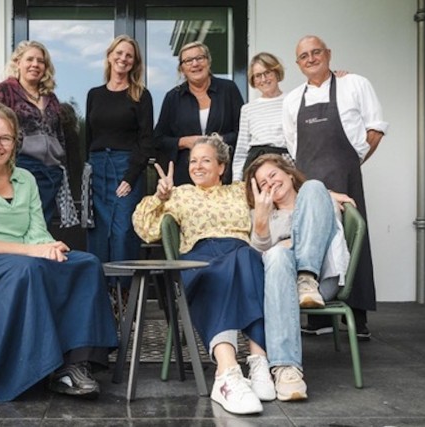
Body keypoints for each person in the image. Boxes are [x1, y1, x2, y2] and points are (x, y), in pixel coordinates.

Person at [0, 103, 118, 402]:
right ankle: (12, 369)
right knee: (28, 269)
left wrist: (48, 247)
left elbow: (37, 232)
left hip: (14, 261)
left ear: (15, 143)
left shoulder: (25, 179)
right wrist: (31, 251)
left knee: (84, 264)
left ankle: (72, 365)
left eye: (5, 138)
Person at [133, 134, 272, 415]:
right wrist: (159, 197)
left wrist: (326, 193)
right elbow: (144, 228)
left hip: (239, 255)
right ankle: (227, 372)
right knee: (225, 268)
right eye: (193, 161)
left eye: (205, 160)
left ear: (222, 167)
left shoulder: (241, 190)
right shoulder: (181, 194)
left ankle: (258, 362)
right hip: (199, 260)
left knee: (247, 255)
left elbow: (283, 193)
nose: (197, 166)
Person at [282, 35, 388, 339]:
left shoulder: (354, 84)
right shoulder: (292, 100)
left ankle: (357, 317)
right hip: (307, 180)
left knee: (353, 242)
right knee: (312, 240)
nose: (311, 59)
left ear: (328, 54)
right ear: (298, 63)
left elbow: (376, 128)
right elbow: (293, 145)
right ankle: (318, 319)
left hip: (345, 176)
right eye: (304, 56)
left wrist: (351, 164)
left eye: (316, 52)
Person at [244, 154, 352, 401]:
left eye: (273, 175)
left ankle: (306, 277)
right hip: (279, 287)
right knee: (277, 257)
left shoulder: (318, 199)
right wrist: (261, 222)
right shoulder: (260, 214)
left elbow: (323, 233)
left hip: (319, 285)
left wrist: (326, 194)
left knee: (315, 186)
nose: (270, 183)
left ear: (289, 174)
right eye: (263, 183)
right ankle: (286, 370)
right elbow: (258, 261)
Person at [0, 40, 77, 226]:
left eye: (40, 61)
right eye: (30, 59)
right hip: (19, 168)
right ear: (18, 63)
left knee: (41, 226)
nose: (35, 64)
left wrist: (63, 167)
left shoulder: (51, 98)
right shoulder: (3, 91)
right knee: (18, 225)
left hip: (50, 172)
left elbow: (60, 136)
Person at [85, 35, 154, 268]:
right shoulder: (94, 94)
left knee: (123, 229)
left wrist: (131, 176)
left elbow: (146, 140)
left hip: (126, 166)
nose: (123, 59)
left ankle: (125, 293)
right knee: (98, 229)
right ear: (110, 56)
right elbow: (89, 137)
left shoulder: (141, 95)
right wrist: (86, 173)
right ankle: (102, 292)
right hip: (97, 166)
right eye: (119, 53)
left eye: (129, 56)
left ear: (134, 63)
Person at [154, 41, 244, 185]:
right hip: (185, 178)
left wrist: (215, 143)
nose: (195, 64)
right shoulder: (173, 97)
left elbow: (242, 132)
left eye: (200, 58)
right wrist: (184, 142)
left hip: (223, 175)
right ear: (182, 68)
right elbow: (158, 139)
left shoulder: (228, 89)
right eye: (188, 60)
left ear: (208, 62)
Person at [232, 52, 292, 181]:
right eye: (258, 76)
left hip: (284, 163)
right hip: (254, 165)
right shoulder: (247, 109)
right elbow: (241, 150)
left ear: (276, 72)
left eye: (268, 72)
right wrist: (237, 181)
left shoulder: (292, 101)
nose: (264, 79)